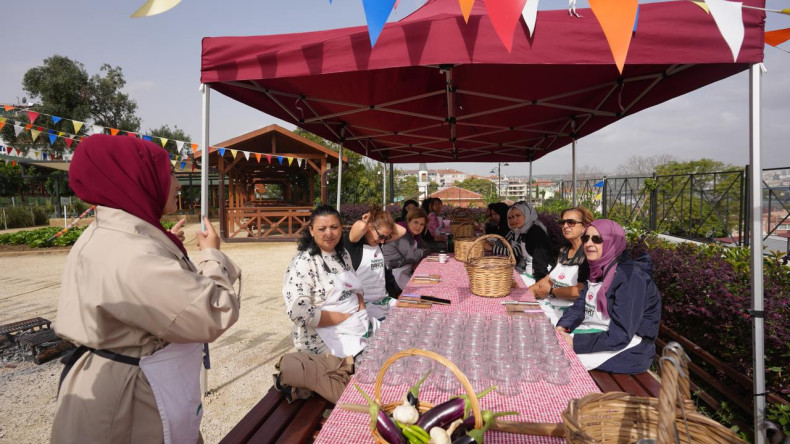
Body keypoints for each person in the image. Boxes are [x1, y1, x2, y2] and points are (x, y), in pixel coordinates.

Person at [52, 134, 242, 444]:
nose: (177, 185)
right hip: (128, 403)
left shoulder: (117, 234)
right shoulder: (132, 251)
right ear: (137, 179)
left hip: (120, 380)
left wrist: (164, 245)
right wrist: (212, 256)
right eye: (167, 174)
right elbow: (212, 312)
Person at [556, 220, 661, 374]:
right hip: (599, 335)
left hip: (629, 349)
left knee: (557, 363)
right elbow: (580, 306)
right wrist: (564, 326)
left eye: (597, 239)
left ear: (613, 242)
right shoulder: (598, 268)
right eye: (586, 238)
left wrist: (574, 342)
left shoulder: (631, 277)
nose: (589, 244)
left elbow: (621, 334)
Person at [281, 205, 370, 357]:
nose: (329, 233)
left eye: (334, 227)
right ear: (311, 231)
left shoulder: (342, 254)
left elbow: (356, 289)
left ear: (341, 228)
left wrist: (361, 311)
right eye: (322, 229)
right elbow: (300, 313)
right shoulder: (303, 262)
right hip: (321, 340)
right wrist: (344, 318)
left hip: (355, 325)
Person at [531, 206, 595, 324]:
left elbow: (580, 291)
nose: (565, 226)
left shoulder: (589, 254)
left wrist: (550, 292)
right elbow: (548, 280)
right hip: (551, 306)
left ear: (585, 227)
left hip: (571, 315)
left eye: (571, 222)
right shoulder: (564, 250)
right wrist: (524, 294)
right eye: (562, 222)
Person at [344, 207, 407, 320]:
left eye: (386, 237)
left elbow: (403, 230)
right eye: (381, 236)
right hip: (362, 307)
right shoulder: (354, 244)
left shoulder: (377, 241)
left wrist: (380, 217)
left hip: (381, 302)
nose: (383, 241)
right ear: (369, 227)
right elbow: (359, 226)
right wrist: (367, 220)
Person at [486, 201, 555, 286]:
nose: (514, 220)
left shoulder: (535, 233)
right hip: (526, 273)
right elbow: (505, 243)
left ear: (527, 214)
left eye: (518, 216)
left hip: (537, 278)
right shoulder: (521, 230)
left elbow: (540, 266)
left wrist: (538, 286)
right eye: (510, 218)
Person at [382, 207, 430, 292]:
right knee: (421, 291)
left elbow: (427, 247)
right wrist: (422, 251)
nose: (418, 227)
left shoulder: (415, 235)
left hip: (404, 271)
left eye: (422, 224)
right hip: (392, 276)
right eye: (415, 222)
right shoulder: (401, 235)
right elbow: (411, 258)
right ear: (408, 221)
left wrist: (421, 252)